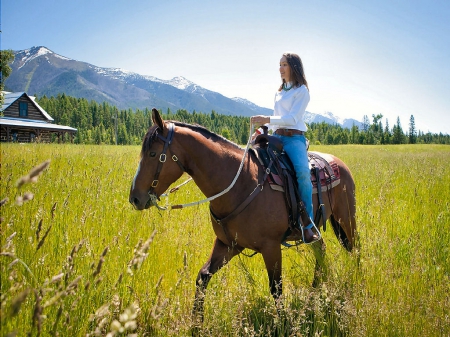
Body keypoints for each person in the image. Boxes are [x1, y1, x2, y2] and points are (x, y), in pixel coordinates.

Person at [251, 52, 321, 244]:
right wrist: (262, 131)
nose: (280, 68)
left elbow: (292, 118)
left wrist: (267, 119)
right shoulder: (279, 91)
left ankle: (307, 226)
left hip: (294, 139)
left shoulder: (302, 91)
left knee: (302, 174)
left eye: (284, 65)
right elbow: (276, 119)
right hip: (277, 136)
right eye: (279, 65)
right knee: (255, 163)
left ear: (294, 67)